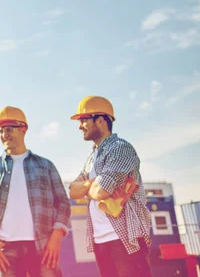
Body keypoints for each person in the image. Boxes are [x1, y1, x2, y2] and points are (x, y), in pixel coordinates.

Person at [0, 106, 70, 277]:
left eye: (10, 129)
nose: (5, 134)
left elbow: (63, 202)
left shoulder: (45, 165)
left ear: (23, 129)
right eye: (1, 130)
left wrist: (56, 237)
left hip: (43, 247)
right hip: (6, 249)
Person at [68, 96, 152, 277]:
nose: (79, 126)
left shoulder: (120, 148)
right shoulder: (91, 158)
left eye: (83, 120)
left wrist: (89, 187)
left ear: (100, 120)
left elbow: (102, 191)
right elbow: (73, 191)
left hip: (125, 239)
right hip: (101, 240)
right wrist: (93, 182)